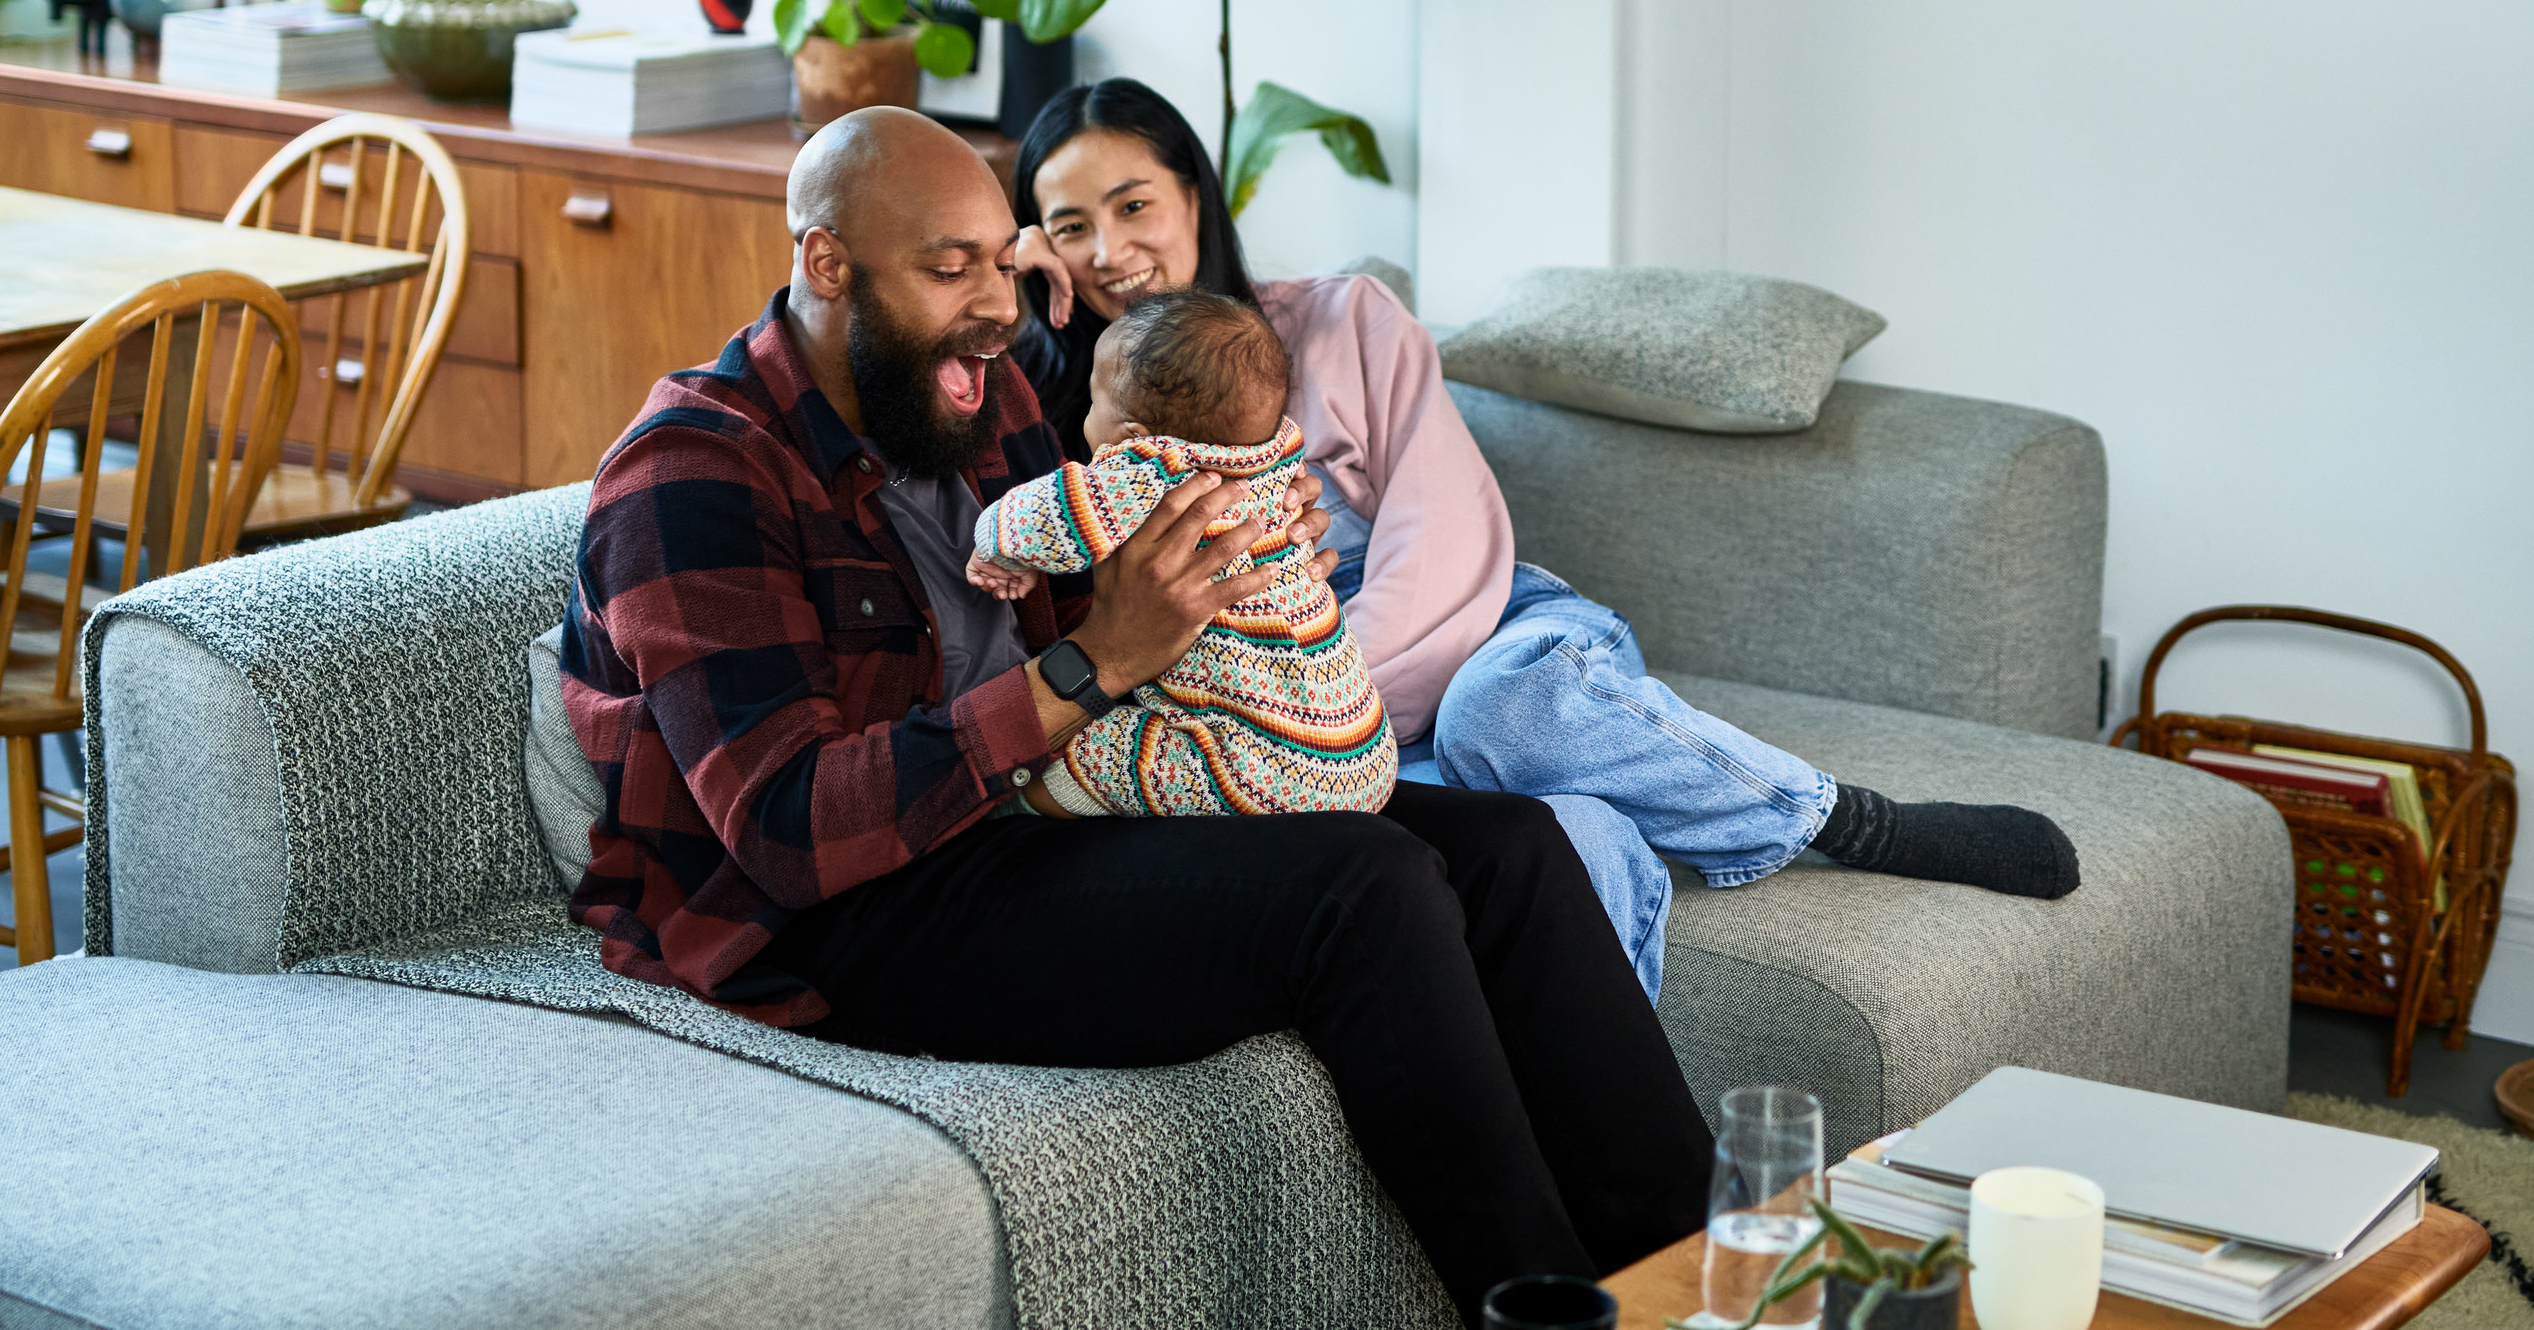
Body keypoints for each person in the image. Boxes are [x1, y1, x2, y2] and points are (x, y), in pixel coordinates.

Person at [559, 106, 1707, 1323]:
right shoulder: (693, 472)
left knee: (1513, 846)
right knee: (1361, 885)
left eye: (1002, 261)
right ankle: (1544, 1311)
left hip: (1037, 809)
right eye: (951, 271)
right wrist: (1092, 666)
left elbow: (1108, 519)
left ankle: (1709, 1283)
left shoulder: (972, 392)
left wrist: (1236, 554)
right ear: (825, 263)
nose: (996, 306)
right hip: (841, 911)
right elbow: (788, 826)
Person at [1010, 80, 2081, 1002]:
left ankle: (1851, 819)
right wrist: (1014, 318)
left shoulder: (1342, 319)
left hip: (1476, 639)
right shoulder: (1072, 433)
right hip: (1323, 741)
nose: (1109, 250)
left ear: (1194, 190)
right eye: (1066, 227)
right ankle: (1615, 1192)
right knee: (1570, 842)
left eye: (1133, 202)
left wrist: (1318, 714)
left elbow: (1448, 532)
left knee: (1501, 710)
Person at [968, 286, 1395, 819]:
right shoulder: (1279, 456)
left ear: (1135, 434)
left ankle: (1020, 811)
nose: (1086, 413)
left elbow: (1049, 517)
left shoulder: (1155, 469)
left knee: (1106, 747)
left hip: (1258, 773)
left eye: (1094, 399)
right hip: (1364, 751)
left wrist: (996, 547)